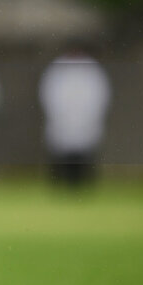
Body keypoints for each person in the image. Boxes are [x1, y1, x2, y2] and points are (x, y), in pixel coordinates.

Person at [39, 42, 110, 188]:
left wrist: (89, 116)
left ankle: (83, 185)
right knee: (60, 155)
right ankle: (59, 185)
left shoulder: (92, 70)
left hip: (86, 121)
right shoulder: (57, 70)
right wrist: (59, 114)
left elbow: (100, 94)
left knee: (84, 155)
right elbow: (49, 93)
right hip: (61, 120)